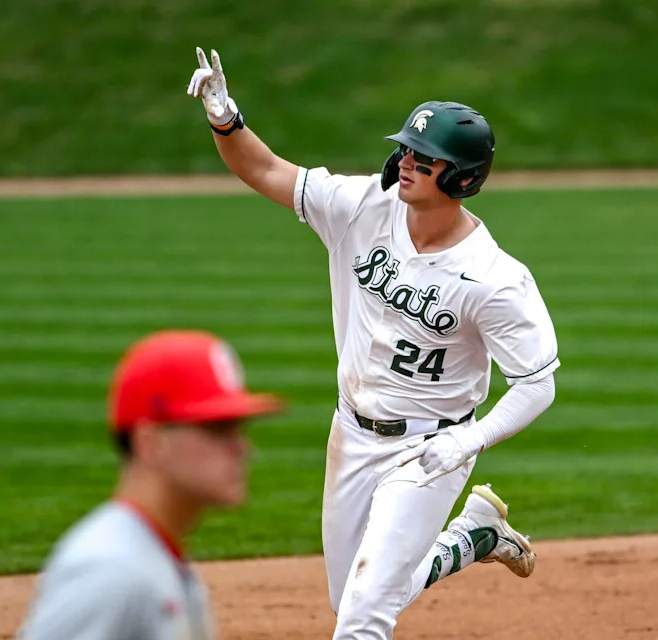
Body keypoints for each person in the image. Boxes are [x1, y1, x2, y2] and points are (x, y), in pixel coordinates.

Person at [187, 47, 559, 640]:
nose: (407, 161)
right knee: (352, 596)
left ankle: (463, 529)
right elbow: (265, 171)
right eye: (407, 149)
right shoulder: (361, 207)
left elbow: (537, 383)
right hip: (350, 435)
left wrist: (471, 439)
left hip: (430, 449)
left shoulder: (494, 279)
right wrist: (225, 117)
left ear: (462, 178)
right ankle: (472, 538)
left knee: (363, 618)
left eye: (426, 158)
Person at [18, 330, 281, 640]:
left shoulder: (155, 557)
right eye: (217, 429)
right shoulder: (110, 572)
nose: (242, 448)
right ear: (150, 443)